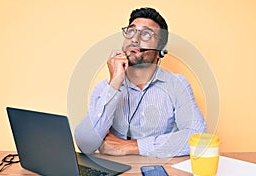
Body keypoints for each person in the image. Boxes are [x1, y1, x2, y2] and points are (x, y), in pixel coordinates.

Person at [74, 7, 206, 158]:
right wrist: (114, 84)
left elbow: (198, 138)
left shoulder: (177, 85)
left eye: (146, 34)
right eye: (131, 32)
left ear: (160, 50)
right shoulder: (105, 87)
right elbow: (85, 144)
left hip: (161, 172)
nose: (134, 39)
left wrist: (130, 146)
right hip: (115, 175)